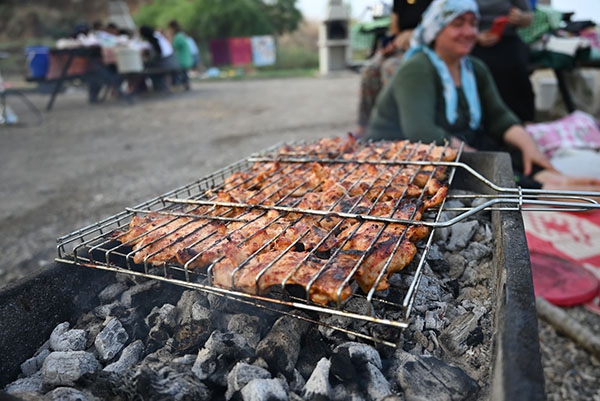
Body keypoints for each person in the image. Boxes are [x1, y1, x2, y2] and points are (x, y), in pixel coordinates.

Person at [364, 0, 600, 192]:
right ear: (437, 29)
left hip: (452, 139)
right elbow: (422, 132)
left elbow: (499, 117)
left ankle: (540, 176)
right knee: (482, 163)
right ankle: (539, 188)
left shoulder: (473, 67)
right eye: (458, 24)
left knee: (505, 146)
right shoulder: (417, 68)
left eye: (473, 23)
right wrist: (485, 163)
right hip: (397, 156)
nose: (468, 32)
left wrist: (531, 149)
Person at [356, 0, 433, 136]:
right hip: (401, 47)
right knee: (370, 69)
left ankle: (395, 128)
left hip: (425, 47)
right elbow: (394, 29)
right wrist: (393, 43)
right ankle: (365, 127)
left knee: (391, 68)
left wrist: (414, 34)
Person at [471, 0, 535, 123]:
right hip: (472, 40)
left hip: (507, 38)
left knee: (515, 67)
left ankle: (523, 121)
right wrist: (475, 36)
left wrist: (520, 18)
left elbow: (529, 17)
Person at [138, 25, 180, 92]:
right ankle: (160, 87)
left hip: (167, 62)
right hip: (173, 60)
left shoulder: (154, 39)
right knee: (150, 68)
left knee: (148, 70)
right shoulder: (157, 36)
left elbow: (158, 54)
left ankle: (160, 88)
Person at [167, 20, 194, 90]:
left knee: (177, 72)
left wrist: (169, 38)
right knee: (183, 74)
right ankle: (186, 84)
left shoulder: (178, 37)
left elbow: (172, 47)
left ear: (172, 28)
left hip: (182, 60)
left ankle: (177, 85)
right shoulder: (181, 35)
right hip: (186, 59)